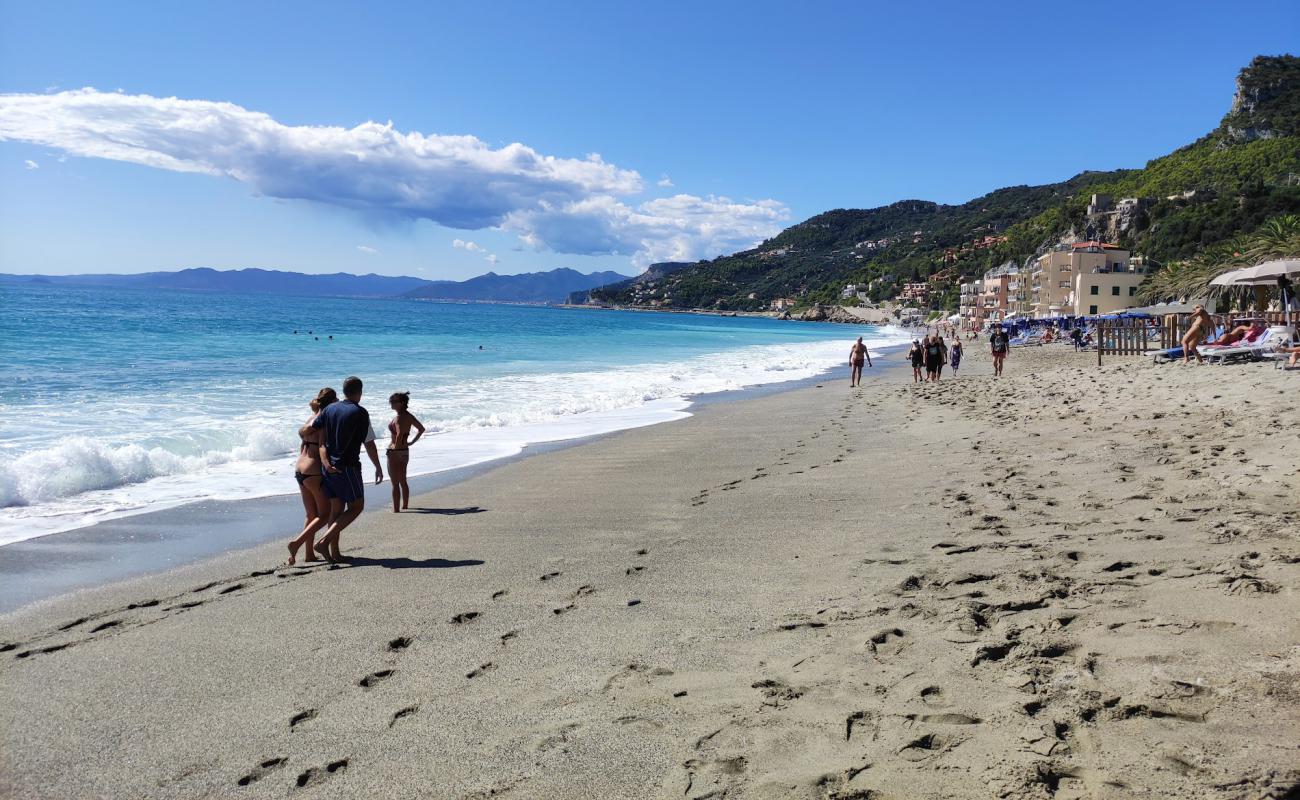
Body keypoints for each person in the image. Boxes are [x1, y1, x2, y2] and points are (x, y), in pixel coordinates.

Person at [304, 375, 384, 562]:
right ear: (360, 392)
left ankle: (335, 553)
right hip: (347, 467)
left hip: (327, 468)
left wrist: (323, 459)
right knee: (356, 506)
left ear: (344, 391)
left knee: (336, 510)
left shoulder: (329, 409)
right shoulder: (360, 413)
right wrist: (378, 466)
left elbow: (310, 429)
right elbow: (369, 443)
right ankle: (324, 543)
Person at [286, 388, 337, 565]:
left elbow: (303, 444)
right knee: (325, 514)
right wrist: (328, 466)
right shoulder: (323, 420)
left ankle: (309, 555)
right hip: (314, 470)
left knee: (311, 514)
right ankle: (296, 544)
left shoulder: (310, 419)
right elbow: (323, 446)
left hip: (300, 468)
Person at [386, 391, 425, 512]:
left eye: (393, 401)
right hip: (405, 451)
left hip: (395, 452)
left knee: (394, 483)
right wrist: (411, 442)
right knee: (403, 480)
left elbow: (399, 434)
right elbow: (421, 429)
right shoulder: (409, 416)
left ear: (402, 403)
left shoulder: (398, 418)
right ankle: (405, 505)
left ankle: (396, 509)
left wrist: (394, 448)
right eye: (390, 401)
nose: (391, 403)